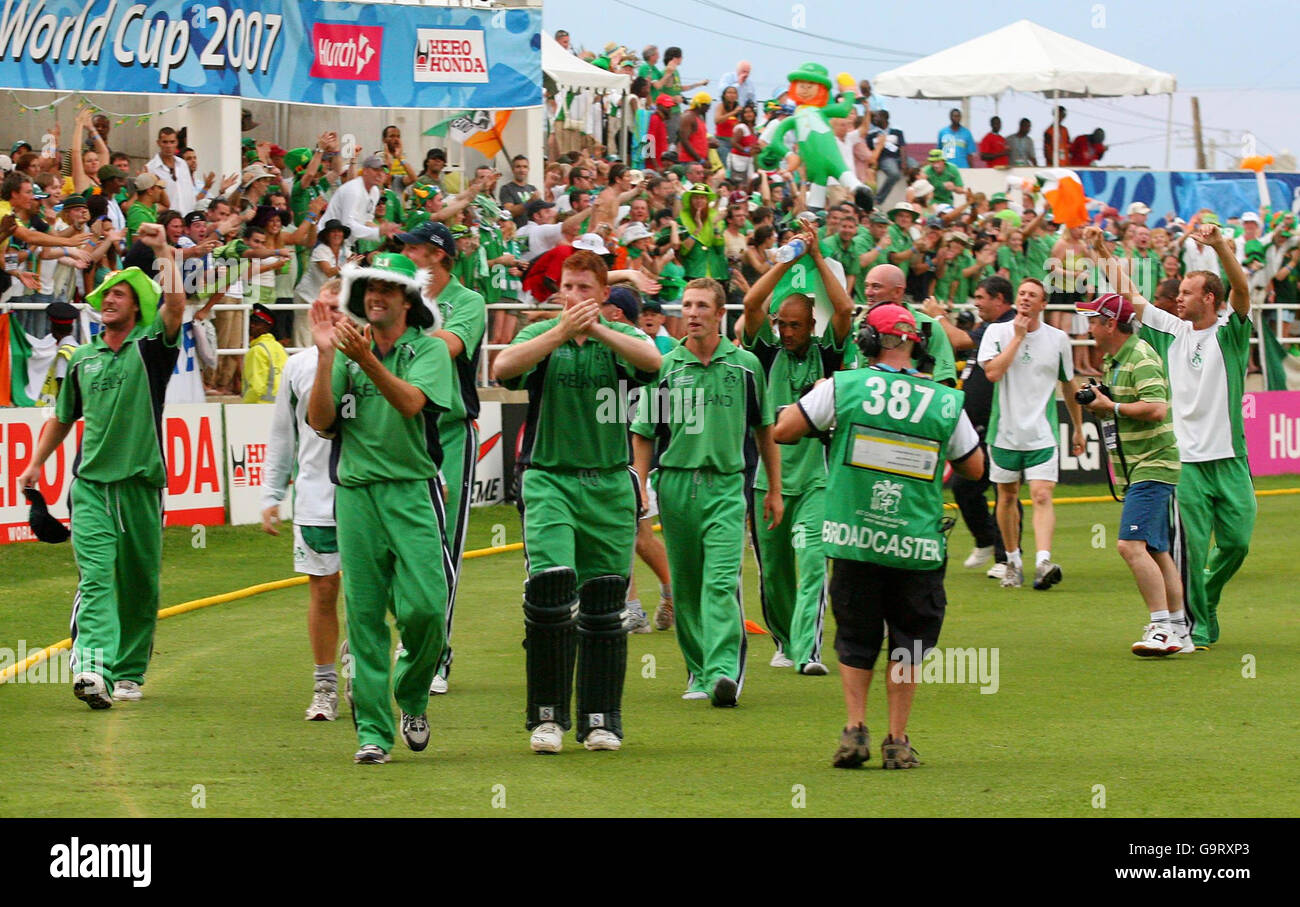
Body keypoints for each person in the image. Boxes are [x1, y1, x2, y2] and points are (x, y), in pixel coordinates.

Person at [773, 303, 984, 769]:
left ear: (868, 341)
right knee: (908, 640)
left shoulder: (843, 386)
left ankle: (854, 729)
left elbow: (784, 431)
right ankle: (898, 739)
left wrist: (815, 410)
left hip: (855, 538)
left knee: (855, 636)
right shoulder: (943, 399)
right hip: (916, 544)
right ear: (915, 342)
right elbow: (973, 466)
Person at [494, 251, 661, 753]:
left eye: (585, 288)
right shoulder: (540, 337)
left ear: (603, 294)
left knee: (605, 603)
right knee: (549, 591)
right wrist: (560, 332)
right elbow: (502, 367)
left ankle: (600, 719)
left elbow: (652, 362)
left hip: (609, 482)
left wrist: (601, 329)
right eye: (568, 287)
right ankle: (547, 717)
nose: (574, 297)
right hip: (550, 479)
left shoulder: (620, 340)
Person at [17, 224, 186, 709]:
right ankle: (91, 667)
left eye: (119, 294)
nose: (108, 299)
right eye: (106, 293)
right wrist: (35, 465)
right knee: (95, 576)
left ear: (137, 307)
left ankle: (129, 672)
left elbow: (175, 307)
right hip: (89, 487)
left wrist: (164, 251)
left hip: (141, 487)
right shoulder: (83, 358)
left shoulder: (152, 351)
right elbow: (64, 417)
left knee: (139, 582)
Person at [305, 252, 455, 765]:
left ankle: (410, 695)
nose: (374, 295)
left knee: (427, 610)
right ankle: (373, 731)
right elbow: (322, 422)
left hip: (413, 490)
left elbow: (413, 404)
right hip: (356, 494)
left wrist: (365, 360)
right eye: (367, 286)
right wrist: (327, 358)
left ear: (407, 299)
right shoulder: (346, 354)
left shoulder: (429, 351)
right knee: (364, 617)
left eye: (386, 288)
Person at [1086, 223, 1254, 648]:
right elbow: (1132, 300)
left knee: (1237, 543)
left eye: (1186, 291)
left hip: (1231, 458)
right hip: (1185, 462)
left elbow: (1242, 289)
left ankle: (1207, 597)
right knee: (1190, 551)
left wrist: (1218, 246)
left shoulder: (1231, 331)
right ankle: (1197, 622)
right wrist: (1102, 253)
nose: (1177, 297)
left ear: (1209, 298)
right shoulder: (1170, 331)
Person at [631, 277, 784, 707]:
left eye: (702, 305)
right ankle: (698, 671)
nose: (693, 313)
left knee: (720, 582)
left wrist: (774, 489)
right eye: (687, 305)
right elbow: (644, 433)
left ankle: (723, 673)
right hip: (676, 484)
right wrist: (640, 486)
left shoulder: (746, 366)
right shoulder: (665, 367)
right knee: (686, 584)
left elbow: (764, 432)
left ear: (720, 314)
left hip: (726, 485)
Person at [741, 227, 853, 674]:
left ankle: (808, 651)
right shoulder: (766, 353)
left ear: (811, 326)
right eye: (781, 324)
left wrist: (819, 257)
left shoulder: (827, 355)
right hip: (767, 480)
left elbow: (844, 307)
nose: (785, 332)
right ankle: (786, 641)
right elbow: (751, 304)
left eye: (794, 325)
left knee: (811, 562)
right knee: (775, 571)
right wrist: (786, 261)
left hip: (814, 481)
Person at [398, 220, 487, 694]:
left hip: (450, 430)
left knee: (443, 546)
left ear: (438, 255)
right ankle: (411, 641)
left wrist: (396, 329)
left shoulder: (467, 302)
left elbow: (449, 346)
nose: (406, 255)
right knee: (394, 546)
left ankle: (436, 653)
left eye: (413, 248)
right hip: (401, 429)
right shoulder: (397, 298)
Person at [1073, 292, 1189, 656]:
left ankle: (1160, 627)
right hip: (1143, 464)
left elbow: (1156, 407)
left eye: (1093, 320)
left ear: (1110, 323)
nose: (1088, 327)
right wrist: (1102, 404)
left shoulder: (1139, 356)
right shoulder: (1115, 360)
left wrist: (1113, 406)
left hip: (1152, 462)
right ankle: (1178, 628)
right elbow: (1122, 410)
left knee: (1129, 545)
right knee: (1157, 550)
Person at [262, 278, 345, 720]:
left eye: (340, 307)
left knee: (378, 594)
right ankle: (325, 684)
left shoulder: (376, 359)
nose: (332, 315)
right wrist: (272, 493)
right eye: (325, 306)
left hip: (372, 496)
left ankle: (360, 664)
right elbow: (282, 434)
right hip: (317, 497)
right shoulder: (298, 366)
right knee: (325, 590)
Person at [977, 277, 1085, 589]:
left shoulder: (1058, 338)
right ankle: (1012, 560)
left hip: (1042, 432)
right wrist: (1017, 338)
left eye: (1032, 295)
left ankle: (1043, 561)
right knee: (1007, 496)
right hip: (1004, 433)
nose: (1025, 298)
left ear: (1043, 304)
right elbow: (993, 373)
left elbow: (1068, 382)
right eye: (1022, 293)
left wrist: (1078, 428)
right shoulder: (996, 332)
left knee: (1041, 494)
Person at [952, 277, 1020, 580]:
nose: (976, 303)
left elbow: (957, 340)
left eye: (981, 297)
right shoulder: (989, 328)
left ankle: (1007, 557)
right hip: (975, 425)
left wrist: (938, 316)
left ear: (1000, 299)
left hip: (1002, 422)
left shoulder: (1007, 326)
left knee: (1005, 489)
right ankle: (986, 540)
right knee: (965, 487)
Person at [33, 301, 81, 406]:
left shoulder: (63, 354)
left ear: (53, 329)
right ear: (71, 328)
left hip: (56, 410)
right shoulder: (77, 349)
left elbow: (62, 385)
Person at [146, 126, 198, 216]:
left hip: (187, 216)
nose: (168, 146)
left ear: (177, 143)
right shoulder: (151, 168)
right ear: (158, 143)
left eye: (172, 142)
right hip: (166, 219)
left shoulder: (182, 164)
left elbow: (189, 192)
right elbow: (150, 198)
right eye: (165, 142)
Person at [242, 302, 288, 404]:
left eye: (257, 323)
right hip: (281, 405)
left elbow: (256, 388)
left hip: (260, 406)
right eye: (251, 322)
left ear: (268, 327)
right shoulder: (279, 347)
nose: (252, 325)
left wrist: (245, 406)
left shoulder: (257, 350)